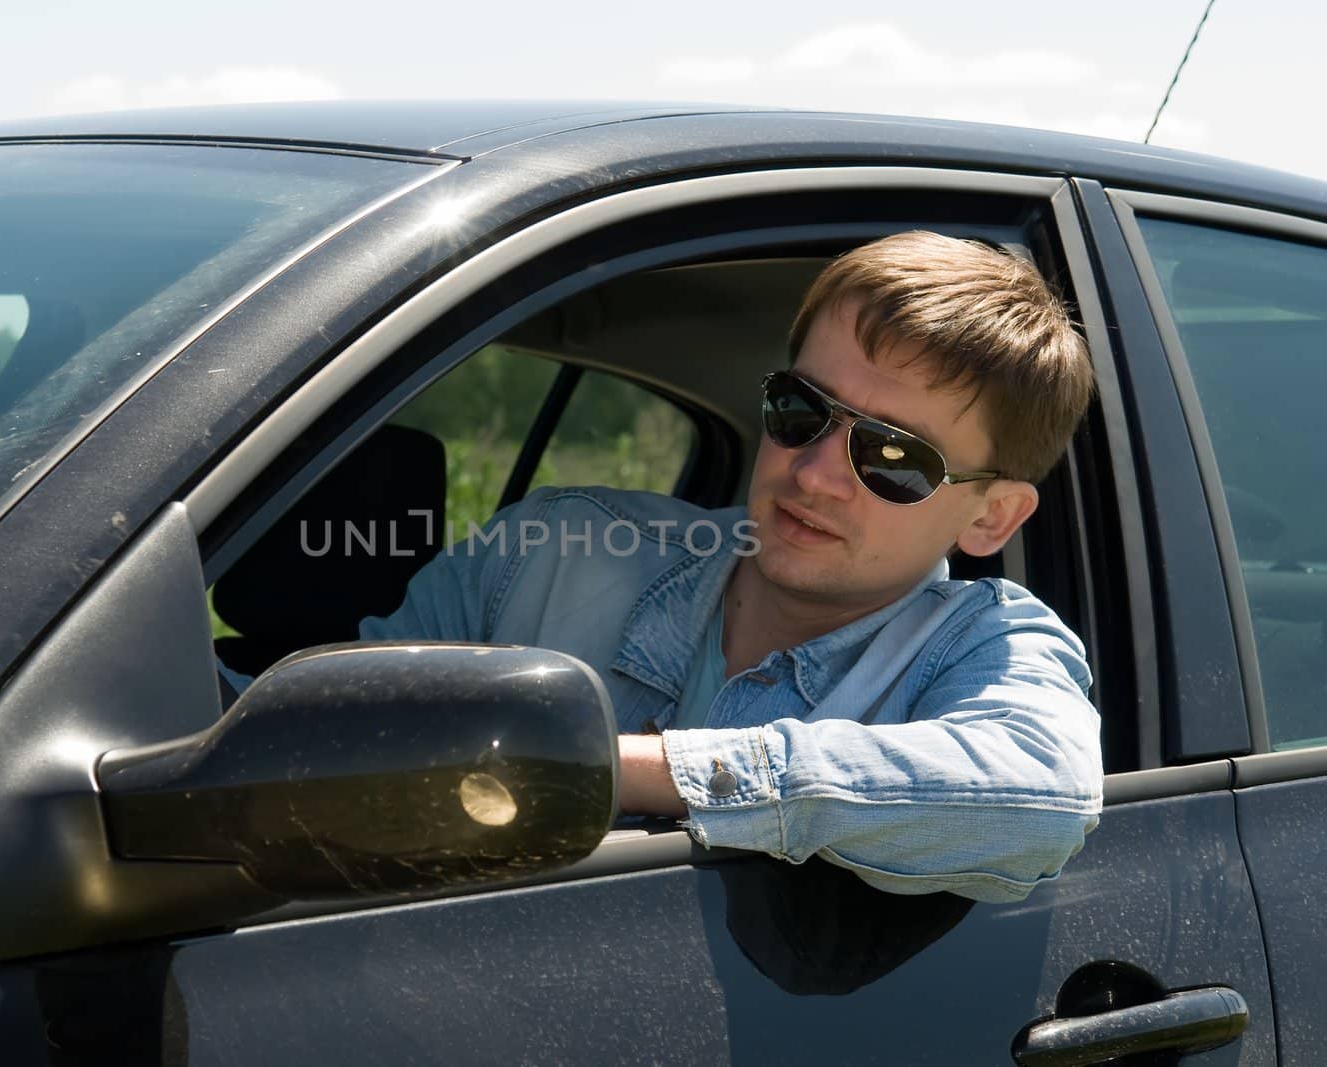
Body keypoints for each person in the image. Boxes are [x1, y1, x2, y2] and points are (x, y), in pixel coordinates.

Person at [360, 231, 1102, 903]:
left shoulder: (988, 644)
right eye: (801, 409)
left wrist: (605, 765)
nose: (813, 474)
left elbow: (1042, 795)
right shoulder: (553, 547)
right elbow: (345, 733)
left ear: (991, 517)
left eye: (894, 458)